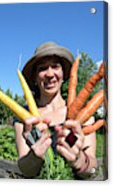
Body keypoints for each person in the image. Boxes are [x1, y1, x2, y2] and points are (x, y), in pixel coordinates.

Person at [14, 42, 97, 179]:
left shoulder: (82, 115)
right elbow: (25, 171)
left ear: (64, 74)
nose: (50, 74)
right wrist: (34, 157)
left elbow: (93, 170)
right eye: (42, 68)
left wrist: (79, 159)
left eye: (55, 66)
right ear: (35, 77)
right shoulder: (25, 118)